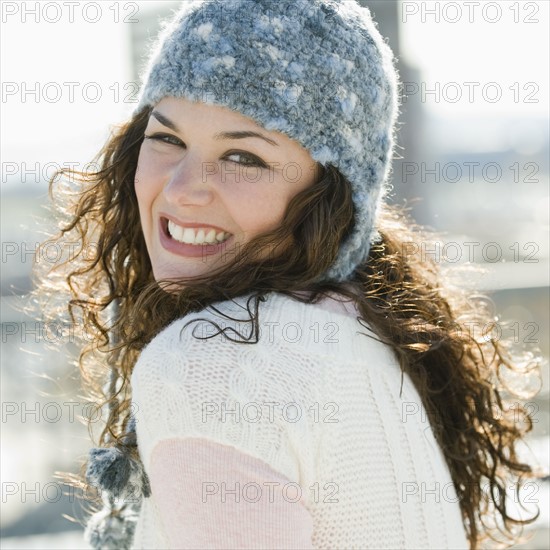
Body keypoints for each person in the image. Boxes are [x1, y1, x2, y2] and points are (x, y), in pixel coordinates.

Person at [34, 0, 542, 548]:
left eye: (244, 158)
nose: (181, 189)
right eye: (168, 139)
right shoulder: (360, 326)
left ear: (328, 195)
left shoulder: (212, 366)